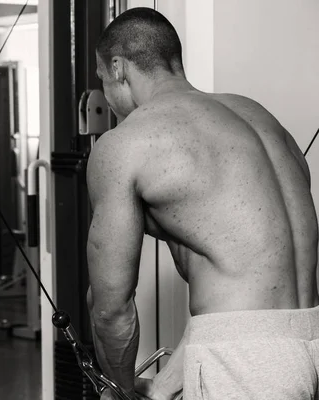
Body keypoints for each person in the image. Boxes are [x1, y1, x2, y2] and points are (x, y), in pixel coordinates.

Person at [87, 7, 319, 400]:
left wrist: (120, 391)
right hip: (306, 342)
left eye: (102, 79)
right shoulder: (259, 117)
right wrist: (163, 385)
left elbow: (111, 308)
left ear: (118, 68)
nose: (106, 98)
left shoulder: (126, 143)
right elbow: (252, 284)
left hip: (247, 364)